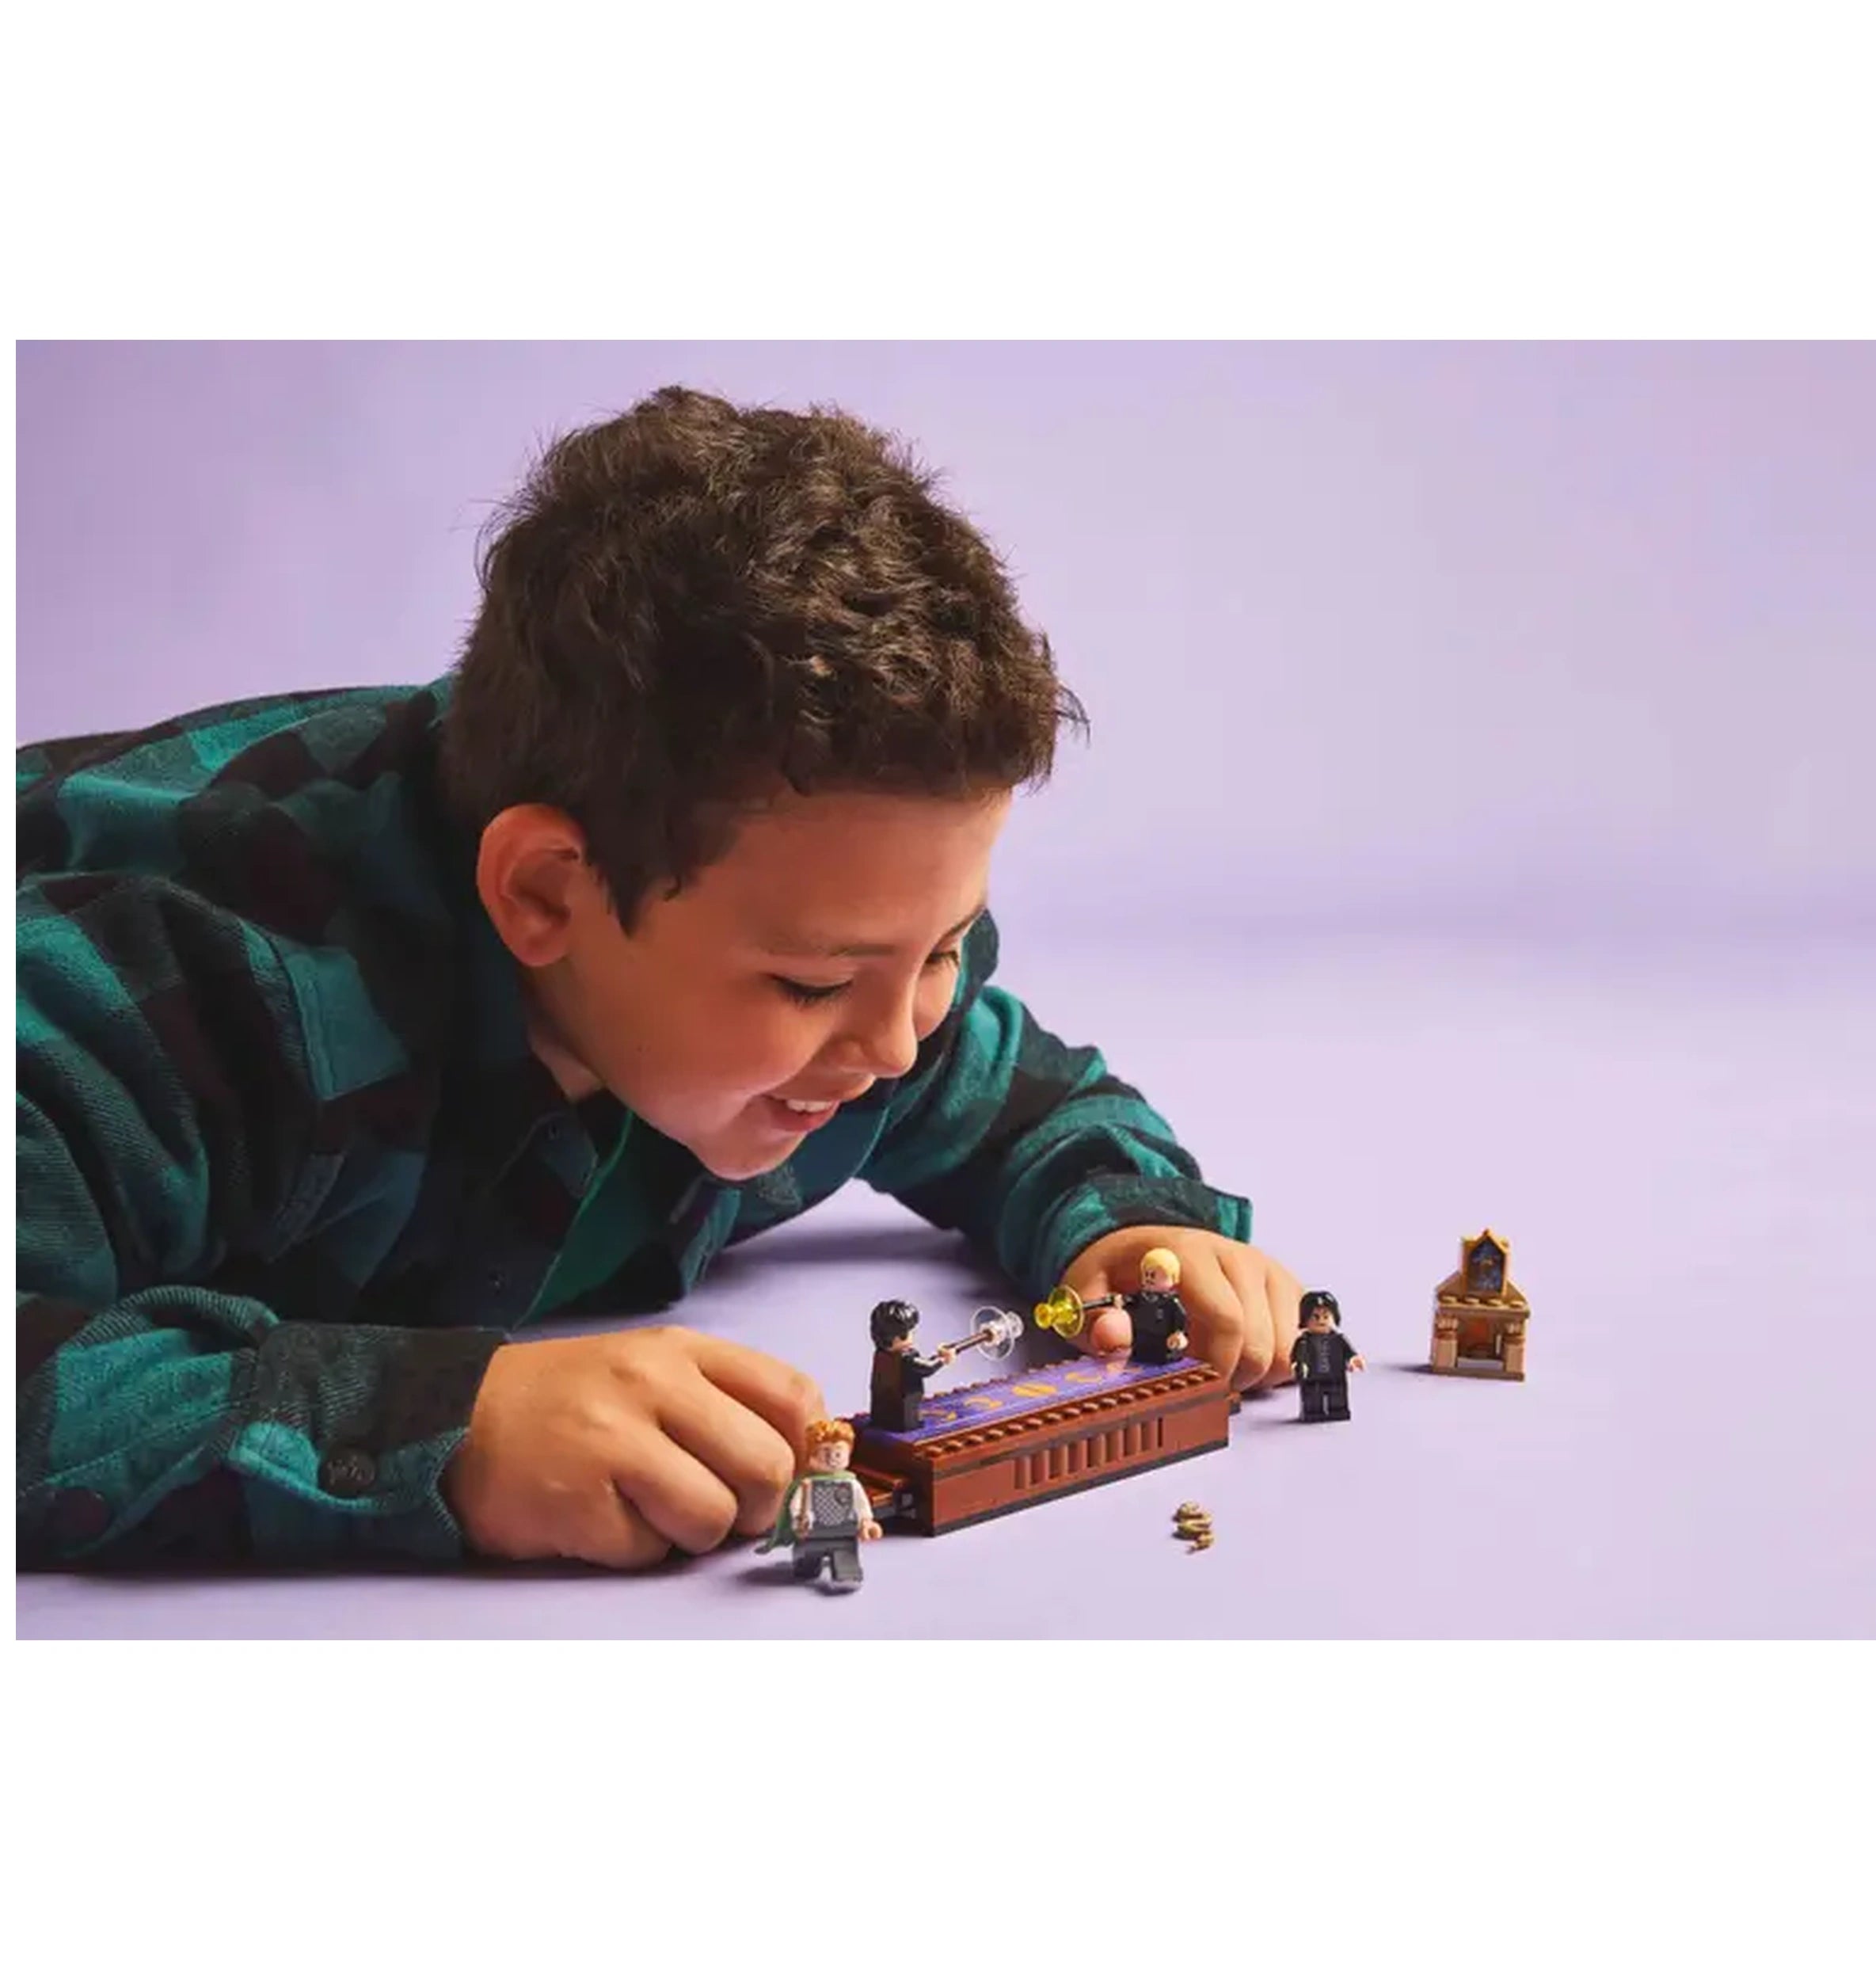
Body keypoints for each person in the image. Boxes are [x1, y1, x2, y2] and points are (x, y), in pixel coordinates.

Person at [17, 383, 1308, 1574]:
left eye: (948, 946)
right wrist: (442, 1427)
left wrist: (1137, 1233)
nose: (902, 1046)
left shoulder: (845, 1009)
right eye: (813, 983)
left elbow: (1023, 1102)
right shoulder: (178, 1000)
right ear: (545, 897)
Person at [755, 1420, 880, 1590]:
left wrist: (866, 1521)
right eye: (825, 1453)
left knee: (845, 1556)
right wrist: (798, 1520)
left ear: (848, 1455)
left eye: (838, 1454)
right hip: (812, 1531)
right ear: (812, 1456)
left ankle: (847, 1573)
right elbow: (795, 1506)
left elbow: (862, 1505)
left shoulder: (851, 1483)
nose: (831, 1459)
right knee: (808, 1562)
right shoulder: (806, 1484)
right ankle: (806, 1566)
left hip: (842, 1530)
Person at [867, 1299, 954, 1433]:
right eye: (911, 1332)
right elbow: (927, 1368)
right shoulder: (906, 1358)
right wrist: (943, 1359)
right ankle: (910, 1426)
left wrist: (938, 1357)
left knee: (883, 1409)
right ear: (897, 1338)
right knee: (908, 1415)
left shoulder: (881, 1354)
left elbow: (921, 1365)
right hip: (903, 1412)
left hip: (882, 1407)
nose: (913, 1336)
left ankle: (881, 1422)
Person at [1105, 1247, 1193, 1365]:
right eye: (1146, 1274)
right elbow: (1129, 1303)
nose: (1149, 1278)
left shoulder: (1171, 1302)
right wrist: (1120, 1302)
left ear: (1172, 1278)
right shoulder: (1140, 1297)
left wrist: (1178, 1334)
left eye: (1154, 1275)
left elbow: (1181, 1318)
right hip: (1140, 1345)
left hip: (1163, 1349)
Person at [1290, 1290, 1365, 1422]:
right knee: (1313, 1400)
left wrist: (1354, 1359)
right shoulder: (1304, 1342)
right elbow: (1299, 1356)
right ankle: (1313, 1412)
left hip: (1336, 1377)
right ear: (1305, 1319)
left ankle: (1338, 1410)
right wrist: (1298, 1364)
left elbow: (1348, 1351)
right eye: (1315, 1317)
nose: (1321, 1321)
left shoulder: (1338, 1339)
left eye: (1326, 1316)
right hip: (1312, 1379)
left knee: (1338, 1398)